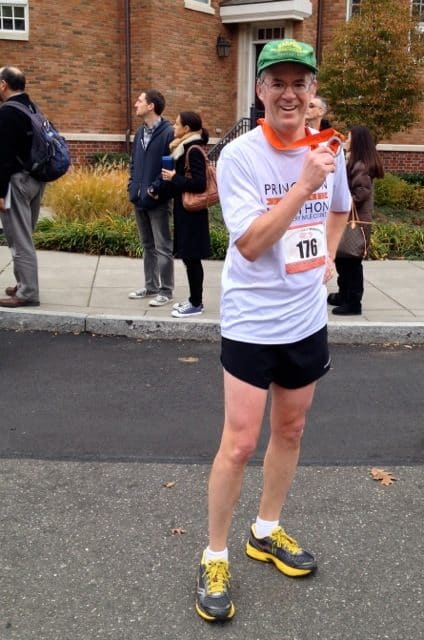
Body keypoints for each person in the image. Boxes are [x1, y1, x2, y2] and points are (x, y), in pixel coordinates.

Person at [195, 39, 351, 623]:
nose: (290, 92)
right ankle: (214, 553)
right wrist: (303, 183)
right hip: (252, 321)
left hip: (305, 318)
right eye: (277, 82)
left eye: (300, 82)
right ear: (260, 90)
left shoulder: (326, 148)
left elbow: (338, 210)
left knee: (292, 427)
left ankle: (266, 530)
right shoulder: (240, 157)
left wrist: (329, 256)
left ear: (312, 92)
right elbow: (253, 242)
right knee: (238, 442)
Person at [0, 66, 45, 308]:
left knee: (19, 240)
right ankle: (22, 282)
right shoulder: (33, 108)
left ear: (3, 85)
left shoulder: (7, 113)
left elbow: (4, 158)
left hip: (16, 182)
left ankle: (27, 292)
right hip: (37, 179)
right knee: (24, 236)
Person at [328, 125, 385, 315]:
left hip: (356, 221)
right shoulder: (354, 161)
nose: (346, 139)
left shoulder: (360, 165)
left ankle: (353, 303)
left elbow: (361, 193)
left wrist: (341, 203)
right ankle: (344, 294)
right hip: (352, 220)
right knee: (343, 261)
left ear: (357, 140)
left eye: (349, 137)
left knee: (351, 263)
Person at [161, 111, 211, 318]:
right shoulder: (184, 148)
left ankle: (196, 303)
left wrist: (174, 178)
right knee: (189, 259)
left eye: (177, 123)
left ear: (187, 129)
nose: (173, 126)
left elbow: (200, 184)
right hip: (185, 211)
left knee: (192, 259)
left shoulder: (193, 150)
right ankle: (193, 299)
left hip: (193, 214)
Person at [127, 89, 175, 307]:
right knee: (147, 245)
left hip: (158, 199)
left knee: (162, 246)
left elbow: (169, 165)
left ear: (151, 106)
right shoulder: (139, 133)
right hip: (139, 199)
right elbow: (134, 163)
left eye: (140, 101)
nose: (136, 104)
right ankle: (151, 286)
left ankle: (166, 290)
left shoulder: (168, 133)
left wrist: (154, 189)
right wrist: (132, 187)